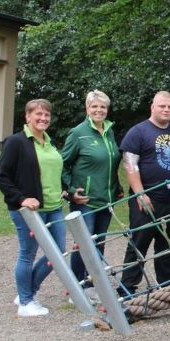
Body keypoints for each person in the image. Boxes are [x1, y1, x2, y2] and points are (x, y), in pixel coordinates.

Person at [118, 91, 170, 295]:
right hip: (148, 200)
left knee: (168, 245)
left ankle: (166, 287)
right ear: (152, 107)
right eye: (162, 106)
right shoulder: (138, 132)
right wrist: (141, 194)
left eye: (169, 107)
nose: (166, 110)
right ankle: (128, 288)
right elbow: (130, 165)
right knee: (139, 243)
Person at [0, 99, 66, 317]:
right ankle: (26, 302)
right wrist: (21, 199)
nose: (43, 118)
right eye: (38, 114)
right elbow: (2, 176)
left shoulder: (49, 142)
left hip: (54, 207)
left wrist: (64, 189)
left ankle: (26, 291)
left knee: (57, 254)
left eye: (47, 115)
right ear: (27, 116)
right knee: (28, 253)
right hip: (28, 210)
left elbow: (51, 172)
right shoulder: (16, 142)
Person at [61, 90, 122, 303]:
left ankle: (92, 283)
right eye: (94, 106)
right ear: (87, 108)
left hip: (105, 199)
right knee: (83, 244)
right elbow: (64, 163)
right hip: (85, 200)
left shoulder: (109, 131)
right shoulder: (78, 133)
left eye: (102, 107)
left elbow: (111, 162)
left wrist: (117, 186)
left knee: (98, 243)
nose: (99, 110)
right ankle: (77, 287)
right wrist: (69, 190)